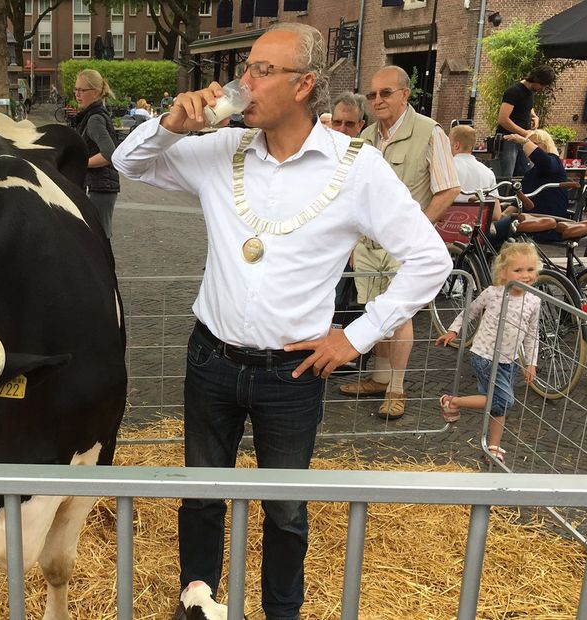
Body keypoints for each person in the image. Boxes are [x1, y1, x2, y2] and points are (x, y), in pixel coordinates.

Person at [112, 24, 450, 620]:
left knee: (287, 507)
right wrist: (170, 126)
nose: (246, 82)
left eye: (263, 71)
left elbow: (430, 260)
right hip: (210, 358)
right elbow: (127, 162)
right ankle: (198, 599)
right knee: (202, 495)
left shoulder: (358, 168)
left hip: (292, 372)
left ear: (305, 85)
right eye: (247, 68)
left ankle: (280, 611)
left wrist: (356, 336)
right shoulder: (222, 150)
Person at [342, 66, 460, 420]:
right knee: (375, 308)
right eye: (372, 94)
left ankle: (396, 388)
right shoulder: (364, 136)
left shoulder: (429, 132)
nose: (377, 100)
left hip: (403, 247)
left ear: (405, 95)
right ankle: (379, 378)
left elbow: (449, 188)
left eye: (386, 93)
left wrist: (416, 232)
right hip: (368, 245)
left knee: (399, 314)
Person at [436, 242, 540, 464]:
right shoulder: (493, 293)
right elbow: (470, 311)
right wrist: (454, 329)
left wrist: (531, 362)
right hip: (484, 356)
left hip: (509, 361)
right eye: (518, 270)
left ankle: (492, 447)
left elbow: (533, 334)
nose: (526, 275)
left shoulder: (534, 300)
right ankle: (453, 402)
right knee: (504, 401)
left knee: (497, 405)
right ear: (504, 272)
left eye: (530, 270)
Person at [73, 68, 120, 239]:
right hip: (98, 186)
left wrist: (79, 162)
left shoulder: (94, 119)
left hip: (99, 188)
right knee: (95, 238)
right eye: (75, 89)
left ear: (95, 92)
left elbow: (109, 154)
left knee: (98, 238)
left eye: (81, 90)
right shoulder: (91, 116)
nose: (77, 94)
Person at [495, 65, 556, 178]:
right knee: (506, 177)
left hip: (522, 141)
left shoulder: (530, 92)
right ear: (536, 79)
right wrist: (526, 133)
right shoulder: (514, 91)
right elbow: (503, 119)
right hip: (509, 140)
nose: (542, 88)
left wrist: (534, 116)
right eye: (542, 85)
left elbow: (527, 106)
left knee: (525, 175)